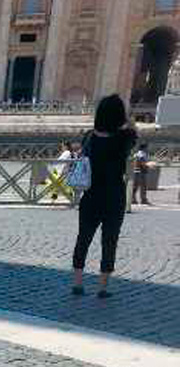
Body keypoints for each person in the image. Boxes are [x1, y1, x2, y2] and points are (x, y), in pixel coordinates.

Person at [71, 94, 137, 299]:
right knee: (110, 241)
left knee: (83, 239)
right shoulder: (124, 138)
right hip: (114, 196)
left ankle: (78, 283)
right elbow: (133, 130)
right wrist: (127, 119)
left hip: (91, 195)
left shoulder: (89, 136)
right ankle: (102, 287)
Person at [132, 142, 151, 206]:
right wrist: (149, 165)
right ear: (144, 148)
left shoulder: (136, 154)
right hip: (141, 172)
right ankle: (143, 200)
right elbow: (142, 163)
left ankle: (133, 199)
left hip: (135, 171)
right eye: (147, 147)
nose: (148, 148)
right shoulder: (142, 154)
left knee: (135, 186)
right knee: (143, 187)